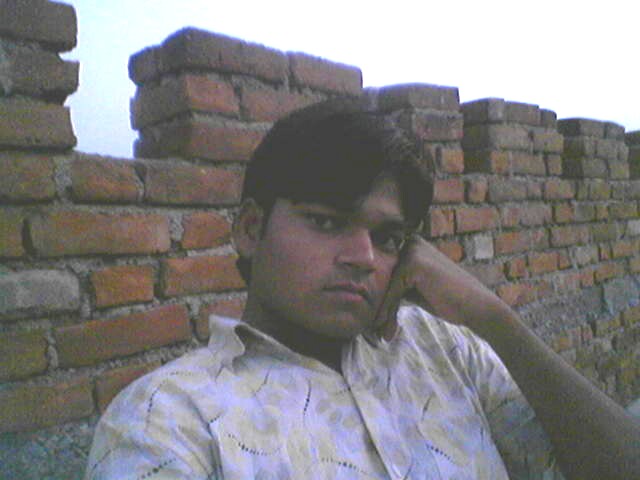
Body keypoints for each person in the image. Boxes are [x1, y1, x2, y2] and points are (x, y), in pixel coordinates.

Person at [85, 98, 640, 479]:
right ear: (251, 229)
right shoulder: (169, 419)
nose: (364, 257)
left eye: (387, 237)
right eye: (326, 221)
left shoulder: (446, 350)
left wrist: (495, 318)